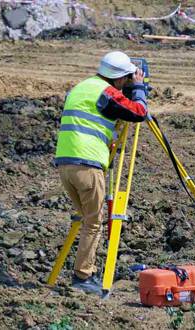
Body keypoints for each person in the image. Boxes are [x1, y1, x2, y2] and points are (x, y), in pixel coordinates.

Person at [54, 51, 147, 294]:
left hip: (66, 165)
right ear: (118, 79)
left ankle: (83, 271)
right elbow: (138, 112)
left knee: (87, 219)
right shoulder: (106, 93)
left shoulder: (81, 88)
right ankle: (84, 277)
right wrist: (138, 89)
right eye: (126, 78)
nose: (127, 82)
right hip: (88, 164)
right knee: (94, 222)